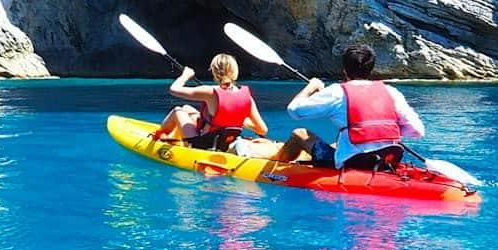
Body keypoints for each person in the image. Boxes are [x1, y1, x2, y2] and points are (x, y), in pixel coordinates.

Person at [273, 44, 425, 172]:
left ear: (345, 70)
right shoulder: (391, 92)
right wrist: (380, 131)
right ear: (371, 69)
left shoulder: (337, 92)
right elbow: (418, 131)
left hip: (353, 163)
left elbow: (294, 110)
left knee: (299, 134)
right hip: (387, 161)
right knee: (337, 142)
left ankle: (272, 169)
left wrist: (312, 87)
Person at [152, 53, 273, 157]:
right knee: (187, 108)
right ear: (235, 72)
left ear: (214, 71)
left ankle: (158, 138)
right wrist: (239, 121)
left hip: (203, 143)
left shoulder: (209, 92)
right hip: (226, 142)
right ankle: (173, 136)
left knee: (178, 110)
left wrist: (185, 76)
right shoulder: (247, 97)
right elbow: (262, 129)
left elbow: (174, 89)